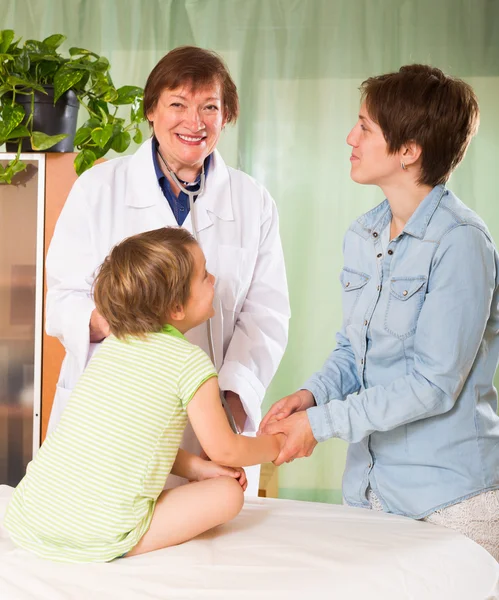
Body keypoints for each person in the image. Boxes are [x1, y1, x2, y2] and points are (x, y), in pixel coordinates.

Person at [260, 65, 499, 560]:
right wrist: (312, 395)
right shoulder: (363, 235)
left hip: (449, 499)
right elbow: (355, 348)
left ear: (409, 151)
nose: (351, 137)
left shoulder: (460, 243)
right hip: (370, 495)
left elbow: (433, 385)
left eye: (365, 127)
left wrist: (321, 425)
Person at [45, 46, 290, 495]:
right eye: (178, 104)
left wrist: (230, 405)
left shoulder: (252, 201)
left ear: (227, 115)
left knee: (207, 543)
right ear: (151, 111)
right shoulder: (98, 188)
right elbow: (62, 297)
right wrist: (119, 322)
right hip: (117, 419)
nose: (194, 122)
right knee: (112, 538)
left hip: (210, 423)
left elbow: (266, 317)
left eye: (209, 107)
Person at [5, 228, 285, 562]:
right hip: (96, 533)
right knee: (228, 495)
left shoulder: (113, 347)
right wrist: (278, 444)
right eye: (204, 275)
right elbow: (225, 448)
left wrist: (196, 469)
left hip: (34, 515)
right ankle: (121, 539)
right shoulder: (189, 362)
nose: (214, 278)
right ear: (177, 308)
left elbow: (134, 437)